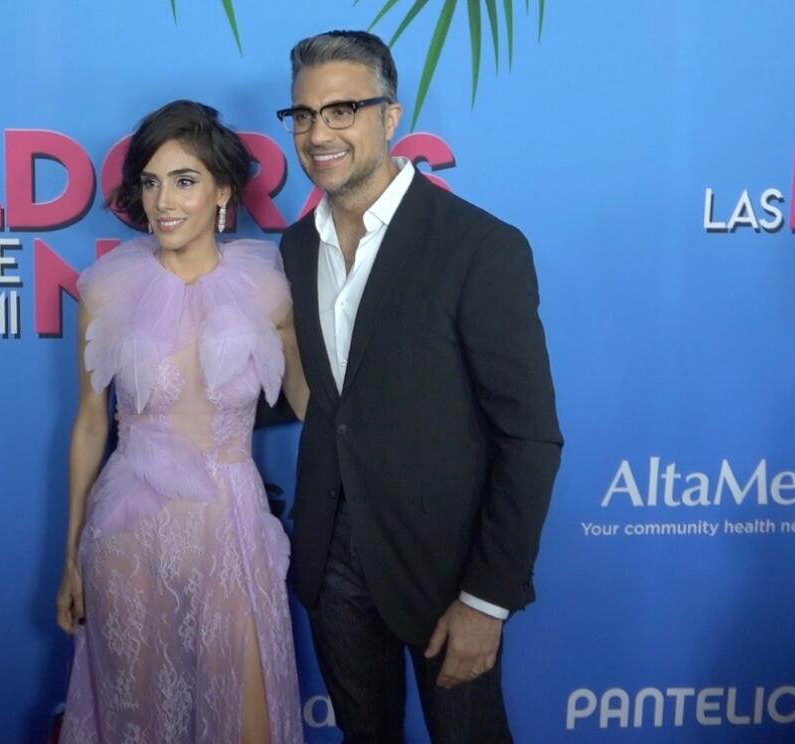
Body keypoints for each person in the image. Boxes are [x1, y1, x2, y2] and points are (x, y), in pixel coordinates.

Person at [274, 31, 563, 742]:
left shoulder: (479, 246)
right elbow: (328, 402)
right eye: (304, 115)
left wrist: (487, 601)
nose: (319, 133)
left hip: (446, 570)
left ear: (391, 116)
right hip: (332, 561)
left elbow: (527, 437)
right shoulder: (296, 244)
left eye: (342, 110)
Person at [54, 100, 308, 744]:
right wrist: (71, 559)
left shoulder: (271, 290)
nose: (163, 201)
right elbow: (90, 426)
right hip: (127, 538)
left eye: (184, 180)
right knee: (139, 723)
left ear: (223, 191)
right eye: (151, 181)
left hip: (229, 530)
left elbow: (315, 408)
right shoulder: (107, 291)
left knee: (245, 720)